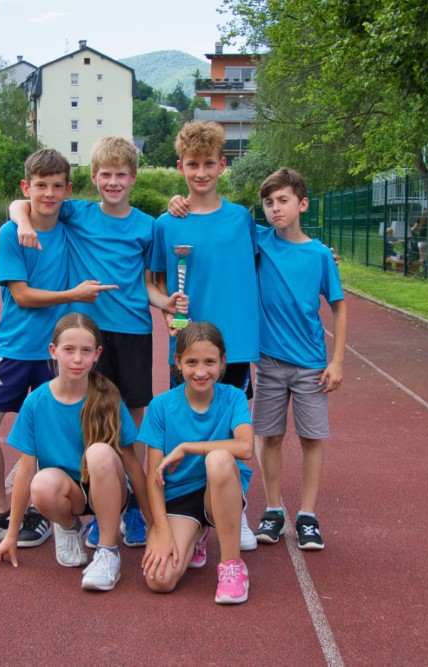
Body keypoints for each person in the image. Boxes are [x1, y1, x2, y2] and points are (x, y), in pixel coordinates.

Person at [9, 137, 181, 551]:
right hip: (93, 335)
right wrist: (23, 223)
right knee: (93, 420)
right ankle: (97, 503)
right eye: (105, 174)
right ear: (92, 178)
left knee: (131, 423)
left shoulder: (148, 226)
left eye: (121, 174)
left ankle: (136, 507)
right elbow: (24, 203)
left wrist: (166, 305)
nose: (113, 181)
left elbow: (150, 283)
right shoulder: (77, 212)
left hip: (136, 331)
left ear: (134, 178)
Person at [0, 149, 116, 552]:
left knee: (59, 437)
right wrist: (73, 293)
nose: (49, 193)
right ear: (27, 187)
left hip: (56, 354)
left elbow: (114, 202)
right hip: (13, 348)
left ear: (68, 189)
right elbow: (22, 296)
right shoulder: (12, 233)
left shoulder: (70, 221)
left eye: (56, 186)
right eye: (40, 186)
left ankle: (53, 514)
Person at [151, 120, 260, 551]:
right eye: (193, 165)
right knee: (184, 428)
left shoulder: (242, 219)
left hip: (233, 347)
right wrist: (165, 311)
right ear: (180, 166)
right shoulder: (167, 223)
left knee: (234, 432)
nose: (201, 173)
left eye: (209, 164)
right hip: (188, 348)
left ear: (223, 165)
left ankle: (238, 508)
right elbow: (157, 284)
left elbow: (274, 247)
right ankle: (190, 517)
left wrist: (318, 249)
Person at [0, 313, 152, 592]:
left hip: (108, 487)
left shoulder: (108, 396)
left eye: (86, 351)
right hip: (68, 493)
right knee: (41, 483)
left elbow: (134, 466)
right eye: (69, 350)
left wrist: (155, 526)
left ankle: (107, 552)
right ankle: (69, 527)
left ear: (97, 354)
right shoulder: (36, 402)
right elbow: (26, 470)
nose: (77, 359)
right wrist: (11, 535)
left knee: (99, 453)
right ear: (53, 351)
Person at [250, 169, 348, 550]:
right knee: (270, 436)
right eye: (269, 203)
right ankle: (273, 510)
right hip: (269, 362)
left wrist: (337, 361)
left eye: (284, 201)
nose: (276, 209)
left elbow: (338, 308)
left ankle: (307, 515)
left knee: (311, 438)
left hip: (311, 363)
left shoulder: (321, 255)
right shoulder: (258, 242)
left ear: (302, 204)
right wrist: (180, 203)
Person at [138, 322, 255, 604]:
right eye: (191, 362)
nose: (201, 371)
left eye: (209, 362)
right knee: (159, 580)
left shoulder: (234, 397)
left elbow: (246, 447)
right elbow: (153, 476)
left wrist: (188, 447)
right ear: (177, 362)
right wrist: (160, 529)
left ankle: (232, 566)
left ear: (223, 362)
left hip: (219, 491)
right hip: (179, 498)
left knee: (218, 459)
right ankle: (197, 532)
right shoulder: (161, 406)